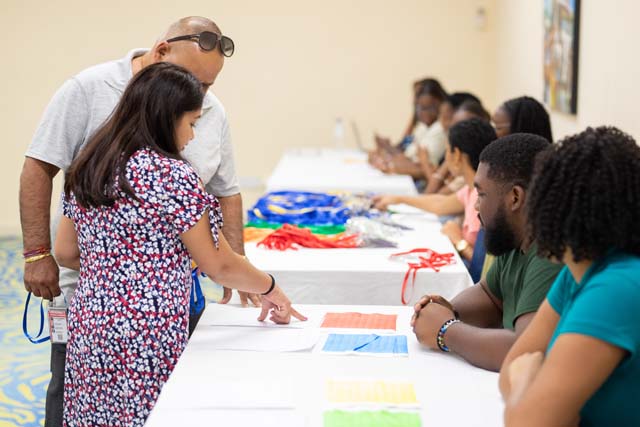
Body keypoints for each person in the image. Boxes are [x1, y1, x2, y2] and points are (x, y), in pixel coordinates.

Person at [19, 16, 258, 427]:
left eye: (207, 85)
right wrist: (36, 254)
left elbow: (226, 190)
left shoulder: (94, 164)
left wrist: (230, 268)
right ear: (161, 52)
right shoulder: (88, 90)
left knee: (91, 402)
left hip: (115, 303)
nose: (198, 97)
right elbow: (38, 167)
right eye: (190, 83)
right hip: (132, 306)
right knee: (144, 404)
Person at [54, 62, 305, 426]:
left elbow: (65, 252)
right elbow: (219, 264)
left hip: (90, 322)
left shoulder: (89, 165)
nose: (191, 136)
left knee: (96, 414)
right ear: (165, 118)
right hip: (148, 331)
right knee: (151, 415)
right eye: (191, 123)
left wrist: (121, 266)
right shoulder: (171, 175)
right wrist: (270, 287)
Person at [499, 127, 640, 426]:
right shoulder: (576, 270)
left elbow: (526, 421)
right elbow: (508, 369)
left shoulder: (617, 287)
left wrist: (526, 378)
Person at [410, 134, 563, 371]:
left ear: (514, 198)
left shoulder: (550, 251)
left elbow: (522, 350)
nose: (476, 206)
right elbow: (490, 296)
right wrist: (447, 310)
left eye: (481, 194)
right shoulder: (513, 238)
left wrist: (446, 331)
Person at [372, 118, 496, 261]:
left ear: (456, 155)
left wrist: (458, 241)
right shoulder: (472, 189)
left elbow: (481, 265)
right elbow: (440, 204)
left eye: (447, 150)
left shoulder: (479, 198)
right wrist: (398, 199)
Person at [370, 79, 448, 179]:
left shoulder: (439, 129)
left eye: (426, 107)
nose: (422, 112)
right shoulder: (423, 126)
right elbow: (404, 147)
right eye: (418, 106)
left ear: (440, 104)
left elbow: (423, 169)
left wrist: (390, 161)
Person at [423, 99, 491, 195]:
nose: (455, 131)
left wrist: (425, 161)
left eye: (463, 125)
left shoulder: (469, 176)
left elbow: (434, 195)